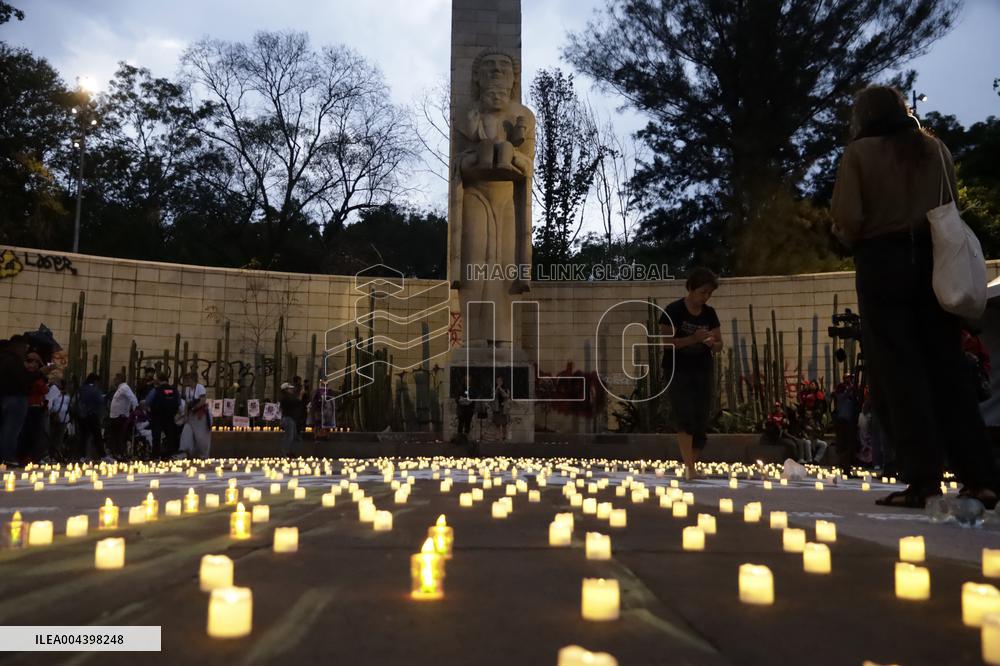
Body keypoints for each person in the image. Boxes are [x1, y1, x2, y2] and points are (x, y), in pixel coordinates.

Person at [832, 85, 999, 508]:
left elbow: (848, 218)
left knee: (899, 375)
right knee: (948, 369)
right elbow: (951, 204)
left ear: (864, 116)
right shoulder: (936, 149)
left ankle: (923, 480)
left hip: (882, 263)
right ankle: (980, 477)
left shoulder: (859, 154)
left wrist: (845, 238)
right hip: (933, 260)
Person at [659, 267, 723, 480]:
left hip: (703, 368)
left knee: (701, 418)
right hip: (678, 369)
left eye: (709, 294)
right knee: (684, 416)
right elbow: (667, 344)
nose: (705, 297)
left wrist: (713, 343)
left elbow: (719, 342)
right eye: (702, 292)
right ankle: (690, 468)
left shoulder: (710, 313)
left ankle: (691, 466)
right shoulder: (674, 310)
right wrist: (693, 339)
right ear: (691, 289)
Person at [0, 335, 32, 466]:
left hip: (4, 397)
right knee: (11, 430)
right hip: (15, 398)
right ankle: (7, 457)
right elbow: (23, 380)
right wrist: (39, 373)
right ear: (17, 346)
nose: (25, 350)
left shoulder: (3, 358)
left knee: (6, 429)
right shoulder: (13, 361)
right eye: (24, 347)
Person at [145, 372, 181, 460]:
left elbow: (148, 401)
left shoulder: (156, 390)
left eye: (155, 378)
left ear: (158, 379)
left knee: (156, 437)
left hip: (157, 417)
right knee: (170, 437)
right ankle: (169, 455)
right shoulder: (174, 390)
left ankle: (155, 455)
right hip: (170, 417)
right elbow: (179, 402)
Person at [179, 372, 211, 458]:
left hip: (200, 415)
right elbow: (186, 403)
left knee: (200, 435)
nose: (186, 382)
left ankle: (203, 455)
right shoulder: (188, 390)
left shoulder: (200, 388)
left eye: (187, 380)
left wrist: (195, 408)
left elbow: (203, 400)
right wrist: (186, 415)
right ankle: (186, 451)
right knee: (187, 431)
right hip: (191, 415)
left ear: (191, 379)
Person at [76, 373, 108, 461]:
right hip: (92, 414)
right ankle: (102, 455)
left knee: (83, 436)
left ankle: (82, 456)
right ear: (95, 381)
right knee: (97, 435)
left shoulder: (82, 388)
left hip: (81, 415)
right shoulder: (94, 389)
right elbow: (100, 400)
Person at [107, 373, 138, 459]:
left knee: (119, 436)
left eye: (116, 379)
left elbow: (133, 399)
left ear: (120, 379)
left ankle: (120, 453)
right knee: (115, 436)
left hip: (120, 416)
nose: (114, 381)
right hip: (115, 416)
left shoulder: (124, 388)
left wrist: (135, 410)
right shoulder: (120, 388)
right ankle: (116, 452)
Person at [45, 378, 70, 461]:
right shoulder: (55, 393)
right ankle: (51, 454)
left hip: (63, 418)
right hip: (56, 417)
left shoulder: (66, 395)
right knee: (53, 436)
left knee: (58, 437)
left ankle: (56, 454)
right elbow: (50, 403)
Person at [279, 382, 302, 457]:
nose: (291, 390)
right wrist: (300, 395)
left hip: (291, 419)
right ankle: (285, 452)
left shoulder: (288, 397)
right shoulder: (285, 398)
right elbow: (296, 402)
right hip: (288, 419)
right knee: (289, 436)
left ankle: (290, 452)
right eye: (290, 389)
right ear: (285, 390)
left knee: (293, 436)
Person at [455, 374, 475, 442]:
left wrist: (467, 400)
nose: (467, 381)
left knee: (467, 424)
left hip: (469, 410)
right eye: (466, 380)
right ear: (464, 380)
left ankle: (466, 439)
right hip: (461, 409)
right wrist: (462, 400)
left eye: (468, 380)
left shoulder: (472, 389)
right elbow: (457, 398)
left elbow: (473, 399)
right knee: (460, 423)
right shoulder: (460, 388)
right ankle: (459, 439)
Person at [492, 375, 510, 441]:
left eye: (500, 381)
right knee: (497, 424)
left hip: (503, 409)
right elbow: (493, 396)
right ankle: (497, 437)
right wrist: (497, 389)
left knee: (504, 424)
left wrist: (501, 389)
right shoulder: (494, 389)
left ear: (502, 382)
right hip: (497, 408)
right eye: (497, 381)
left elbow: (506, 396)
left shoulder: (506, 389)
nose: (499, 382)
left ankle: (504, 437)